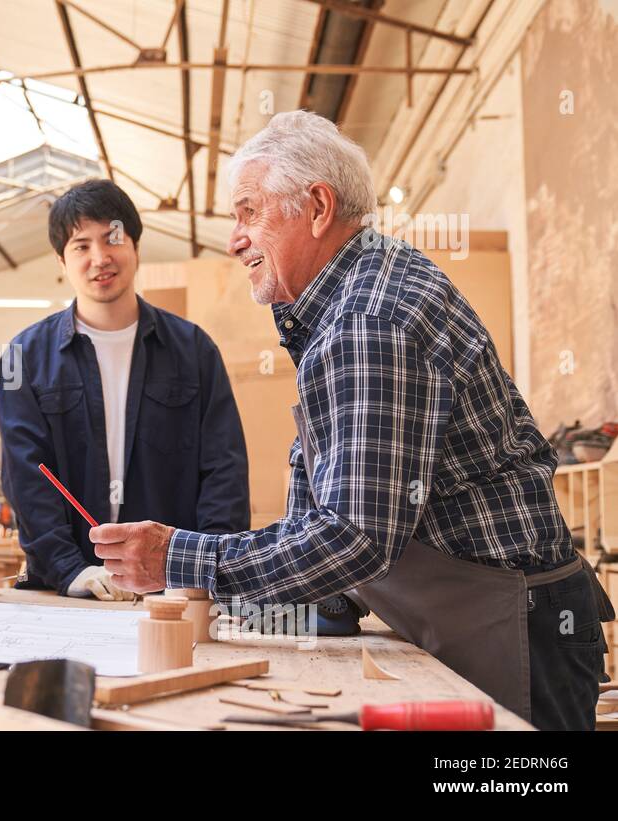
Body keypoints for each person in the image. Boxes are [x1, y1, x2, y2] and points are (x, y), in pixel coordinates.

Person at [90, 110, 614, 730]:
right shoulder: (346, 300)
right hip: (481, 613)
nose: (234, 240)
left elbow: (355, 535)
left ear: (317, 207)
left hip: (514, 626)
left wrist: (180, 556)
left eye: (248, 213)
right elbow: (335, 507)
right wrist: (294, 599)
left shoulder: (366, 321)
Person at [0, 180, 249, 600]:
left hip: (174, 591)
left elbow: (223, 469)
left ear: (135, 245)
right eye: (81, 246)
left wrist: (208, 573)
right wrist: (71, 571)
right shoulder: (24, 358)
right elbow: (27, 476)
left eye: (112, 238)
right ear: (62, 260)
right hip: (67, 591)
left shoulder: (193, 350)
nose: (100, 258)